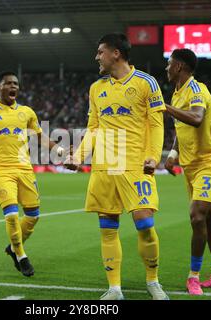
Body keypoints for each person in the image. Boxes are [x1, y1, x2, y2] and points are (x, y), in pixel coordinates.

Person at [64, 33, 169, 300]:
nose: (96, 57)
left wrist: (153, 156)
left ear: (116, 54)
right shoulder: (96, 88)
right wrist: (79, 155)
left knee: (144, 224)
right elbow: (93, 128)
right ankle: (114, 288)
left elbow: (157, 124)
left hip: (135, 165)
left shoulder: (147, 83)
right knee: (108, 227)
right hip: (104, 167)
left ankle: (153, 281)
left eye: (100, 52)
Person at [0, 71, 64, 277]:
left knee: (33, 216)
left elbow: (40, 136)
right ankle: (21, 255)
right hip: (1, 170)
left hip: (25, 169)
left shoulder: (27, 112)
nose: (14, 87)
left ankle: (12, 247)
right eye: (9, 83)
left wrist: (60, 151)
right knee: (11, 214)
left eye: (16, 84)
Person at [164, 48, 211, 295]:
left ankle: (193, 276)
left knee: (197, 216)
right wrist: (173, 155)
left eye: (169, 63)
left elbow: (196, 118)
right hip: (191, 166)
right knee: (208, 217)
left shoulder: (196, 90)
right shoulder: (178, 92)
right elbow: (182, 131)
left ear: (180, 66)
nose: (166, 68)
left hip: (207, 162)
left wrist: (166, 107)